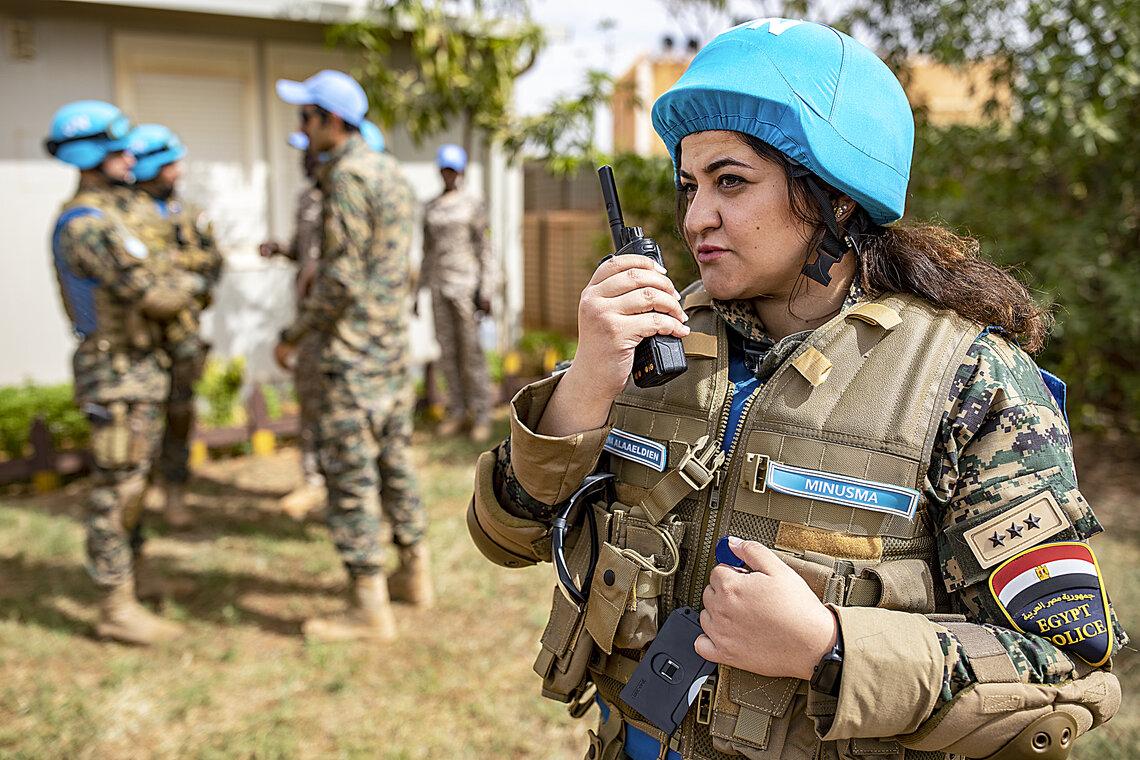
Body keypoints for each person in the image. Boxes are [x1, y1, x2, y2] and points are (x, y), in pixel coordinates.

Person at [467, 19, 1123, 760]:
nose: (697, 217)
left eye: (731, 181)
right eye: (689, 185)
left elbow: (1064, 673)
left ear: (834, 198)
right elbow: (505, 537)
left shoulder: (967, 378)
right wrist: (586, 386)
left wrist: (830, 647)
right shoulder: (650, 340)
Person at [273, 70, 433, 641]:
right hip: (389, 349)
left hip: (350, 354)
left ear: (332, 121)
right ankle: (415, 574)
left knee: (350, 476)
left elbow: (340, 278)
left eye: (306, 116)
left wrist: (295, 334)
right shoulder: (391, 172)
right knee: (395, 462)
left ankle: (368, 606)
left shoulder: (346, 177)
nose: (302, 127)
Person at [45, 101, 200, 645]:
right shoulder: (86, 225)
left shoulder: (111, 215)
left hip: (136, 370)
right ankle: (114, 605)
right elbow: (152, 292)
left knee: (136, 483)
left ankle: (136, 580)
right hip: (115, 374)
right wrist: (189, 285)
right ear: (91, 155)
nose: (131, 157)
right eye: (118, 150)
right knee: (117, 491)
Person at [261, 120, 387, 521]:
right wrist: (281, 250)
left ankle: (350, 488)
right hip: (311, 314)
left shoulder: (349, 192)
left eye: (309, 150)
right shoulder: (308, 198)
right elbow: (305, 251)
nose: (305, 157)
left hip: (337, 319)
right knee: (311, 397)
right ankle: (313, 478)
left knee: (345, 408)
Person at [126, 123, 223, 530]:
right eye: (170, 164)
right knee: (139, 419)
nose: (178, 172)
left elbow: (213, 262)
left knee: (180, 413)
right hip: (140, 337)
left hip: (183, 333)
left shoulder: (190, 214)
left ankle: (175, 492)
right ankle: (137, 493)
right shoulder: (123, 215)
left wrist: (178, 270)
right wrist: (177, 271)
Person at [420, 143, 496, 442]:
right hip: (439, 286)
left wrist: (487, 288)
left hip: (466, 287)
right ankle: (457, 410)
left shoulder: (473, 204)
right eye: (445, 169)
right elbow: (427, 251)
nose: (449, 174)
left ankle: (482, 414)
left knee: (471, 353)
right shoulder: (430, 207)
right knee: (447, 352)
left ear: (461, 171)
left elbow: (485, 249)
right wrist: (417, 292)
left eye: (453, 169)